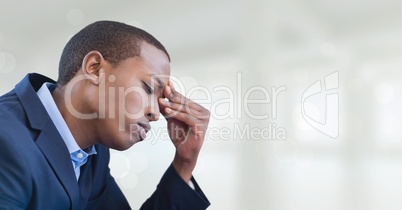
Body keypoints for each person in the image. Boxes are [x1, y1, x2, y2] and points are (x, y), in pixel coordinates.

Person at [0, 20, 211, 210]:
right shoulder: (6, 140)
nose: (155, 114)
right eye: (147, 88)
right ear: (94, 68)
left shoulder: (93, 153)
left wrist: (185, 162)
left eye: (159, 99)